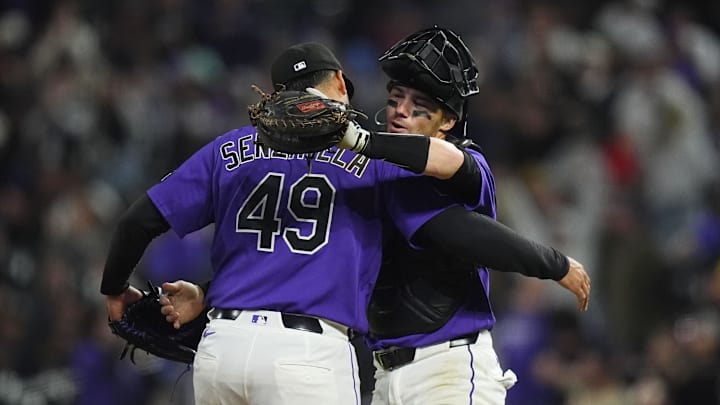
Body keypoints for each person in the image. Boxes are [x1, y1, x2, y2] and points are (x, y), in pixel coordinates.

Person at [102, 41, 585, 405]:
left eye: (419, 107)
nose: (400, 110)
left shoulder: (453, 161)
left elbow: (456, 223)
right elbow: (307, 253)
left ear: (448, 122)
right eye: (396, 98)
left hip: (446, 367)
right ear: (337, 82)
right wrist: (211, 295)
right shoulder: (369, 168)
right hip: (350, 365)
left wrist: (552, 263)